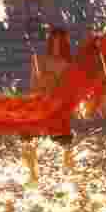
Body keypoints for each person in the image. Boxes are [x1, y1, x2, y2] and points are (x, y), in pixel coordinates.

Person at [21, 27, 75, 186]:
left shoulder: (67, 64)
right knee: (28, 138)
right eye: (54, 41)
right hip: (41, 104)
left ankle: (67, 170)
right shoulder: (40, 60)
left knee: (65, 143)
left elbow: (60, 88)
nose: (57, 46)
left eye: (60, 42)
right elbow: (37, 84)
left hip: (54, 107)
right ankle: (33, 175)